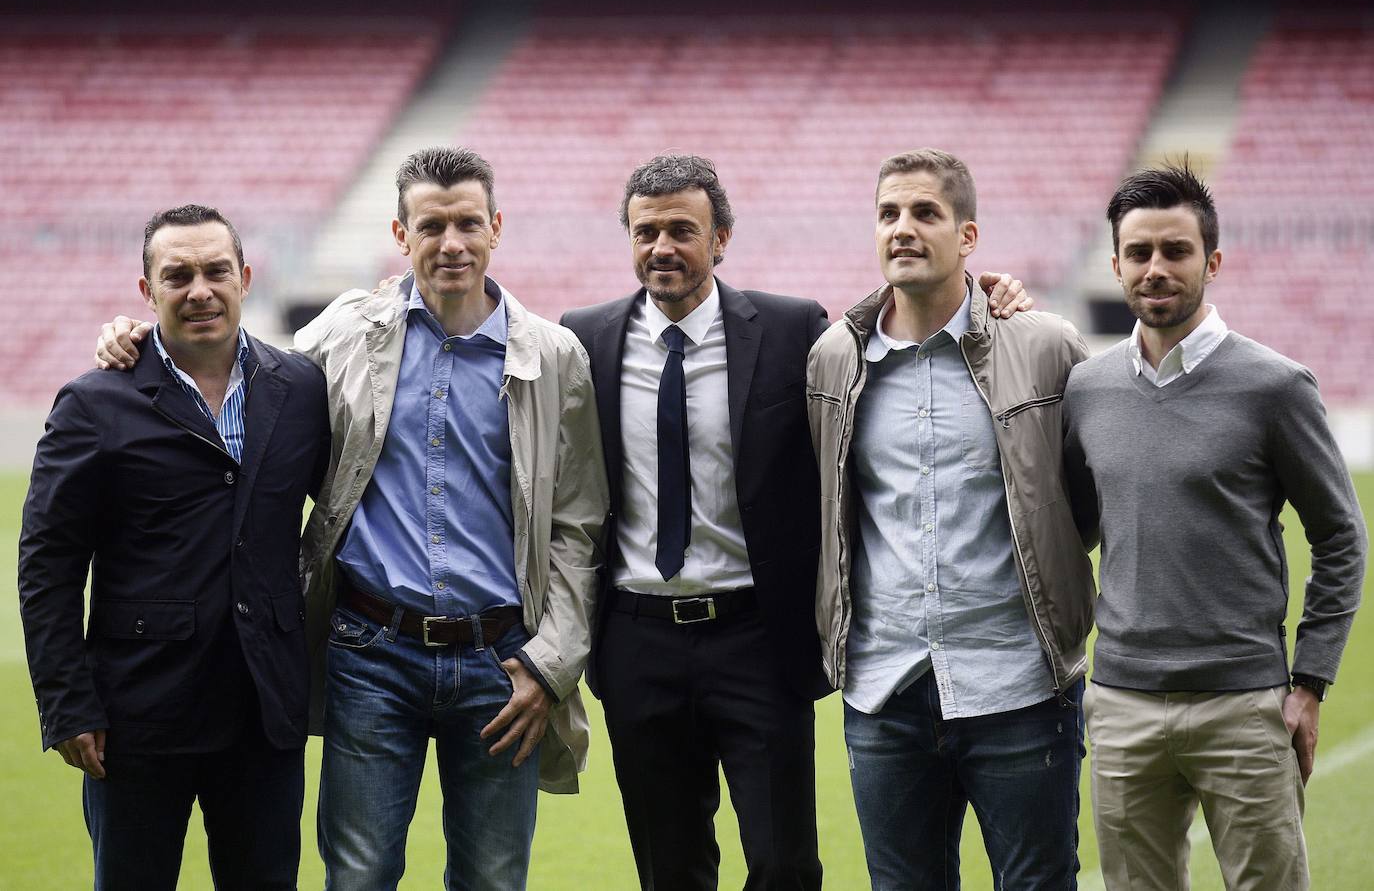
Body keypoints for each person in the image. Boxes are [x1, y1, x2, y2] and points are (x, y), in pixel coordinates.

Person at [92, 147, 609, 891]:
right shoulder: (344, 334)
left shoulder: (554, 357)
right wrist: (141, 337)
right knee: (359, 875)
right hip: (372, 653)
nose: (452, 243)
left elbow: (578, 527)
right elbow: (239, 369)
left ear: (496, 227)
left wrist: (549, 664)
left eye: (468, 223)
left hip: (502, 663)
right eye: (431, 226)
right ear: (401, 235)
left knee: (495, 880)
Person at [560, 153, 1031, 891]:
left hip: (756, 639)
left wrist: (990, 292)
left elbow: (893, 327)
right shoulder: (584, 338)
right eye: (645, 232)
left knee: (786, 866)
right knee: (669, 870)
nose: (661, 248)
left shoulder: (790, 330)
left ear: (721, 239)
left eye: (682, 230)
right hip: (637, 640)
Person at [1063, 163, 1367, 891]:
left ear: (1213, 261)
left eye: (1176, 250)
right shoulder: (1087, 389)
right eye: (1139, 253)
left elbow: (1340, 536)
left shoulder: (1275, 386)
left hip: (1244, 706)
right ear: (1116, 265)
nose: (1156, 268)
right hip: (1122, 704)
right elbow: (1072, 526)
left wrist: (1310, 680)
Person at [807, 148, 1097, 889]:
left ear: (968, 236)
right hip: (885, 691)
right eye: (888, 213)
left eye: (925, 213)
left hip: (1020, 687)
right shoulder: (834, 358)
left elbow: (1084, 505)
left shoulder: (1044, 345)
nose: (902, 228)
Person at [19, 204, 331, 889]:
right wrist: (67, 702)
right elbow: (48, 564)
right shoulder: (94, 404)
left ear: (245, 277)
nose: (200, 290)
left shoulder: (302, 389)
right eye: (177, 275)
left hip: (264, 712)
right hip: (137, 716)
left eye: (216, 271)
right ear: (146, 290)